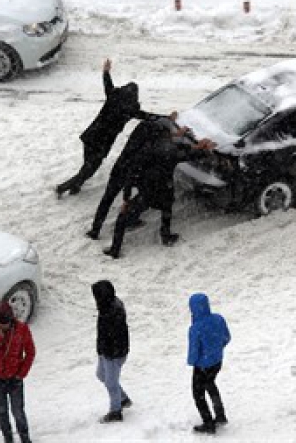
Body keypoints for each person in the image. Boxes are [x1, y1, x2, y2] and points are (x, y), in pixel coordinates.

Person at [102, 123, 215, 258]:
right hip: (164, 190)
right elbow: (186, 154)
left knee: (123, 216)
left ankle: (115, 248)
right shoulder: (171, 150)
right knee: (166, 211)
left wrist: (126, 199)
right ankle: (166, 237)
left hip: (147, 190)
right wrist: (204, 150)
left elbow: (131, 176)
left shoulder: (146, 150)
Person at [55, 58, 162, 198]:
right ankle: (63, 187)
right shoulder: (130, 109)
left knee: (88, 165)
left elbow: (107, 83)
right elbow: (147, 116)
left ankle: (76, 186)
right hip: (102, 143)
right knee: (90, 169)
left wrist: (106, 71)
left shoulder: (113, 96)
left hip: (91, 136)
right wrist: (166, 118)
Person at [85, 114, 179, 240]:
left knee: (108, 198)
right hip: (136, 171)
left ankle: (95, 230)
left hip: (120, 167)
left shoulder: (142, 128)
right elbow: (165, 140)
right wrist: (177, 132)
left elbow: (150, 118)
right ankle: (131, 222)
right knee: (144, 197)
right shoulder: (155, 136)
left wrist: (167, 118)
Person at [0, 302, 36, 443]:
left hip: (14, 377)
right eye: (0, 323)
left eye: (5, 324)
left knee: (18, 411)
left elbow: (30, 352)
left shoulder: (21, 329)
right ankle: (7, 436)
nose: (3, 327)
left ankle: (24, 437)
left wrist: (21, 373)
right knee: (2, 410)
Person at [187, 293, 231, 435]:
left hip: (202, 366)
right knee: (210, 384)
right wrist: (217, 350)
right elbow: (226, 337)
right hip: (217, 362)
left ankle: (208, 423)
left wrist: (192, 362)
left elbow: (194, 353)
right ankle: (220, 414)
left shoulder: (195, 328)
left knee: (198, 393)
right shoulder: (218, 319)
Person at [92, 280, 132, 423]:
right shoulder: (106, 307)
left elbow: (117, 336)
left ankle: (116, 411)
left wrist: (110, 352)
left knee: (110, 382)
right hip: (105, 351)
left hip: (113, 354)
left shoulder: (113, 312)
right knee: (101, 375)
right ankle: (123, 399)